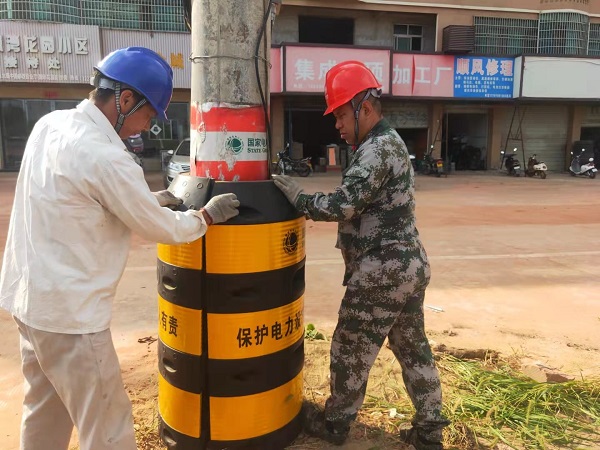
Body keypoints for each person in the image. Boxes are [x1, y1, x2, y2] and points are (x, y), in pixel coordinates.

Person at [0, 47, 239, 450]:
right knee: (108, 426)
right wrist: (206, 217)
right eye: (148, 116)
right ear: (125, 99)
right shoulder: (107, 155)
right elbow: (160, 228)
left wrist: (153, 198)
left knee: (45, 410)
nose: (145, 128)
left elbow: (82, 198)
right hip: (72, 319)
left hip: (30, 306)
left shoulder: (50, 125)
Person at [273, 61, 449, 449]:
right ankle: (430, 429)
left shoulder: (377, 149)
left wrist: (298, 197)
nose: (336, 125)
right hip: (406, 265)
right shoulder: (384, 144)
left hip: (382, 270)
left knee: (350, 348)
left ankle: (334, 425)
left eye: (340, 115)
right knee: (412, 348)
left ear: (364, 108)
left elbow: (343, 205)